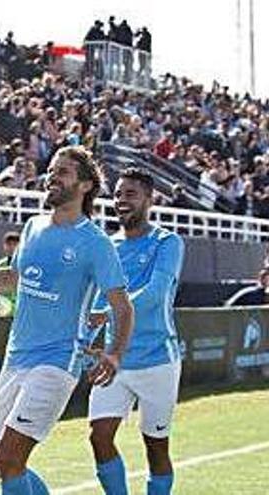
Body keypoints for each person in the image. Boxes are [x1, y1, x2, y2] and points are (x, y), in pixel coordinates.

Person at [0, 146, 134, 495]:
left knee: (10, 458)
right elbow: (11, 279)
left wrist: (114, 354)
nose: (52, 176)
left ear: (84, 186)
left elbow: (122, 306)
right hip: (16, 357)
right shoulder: (33, 226)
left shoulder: (95, 242)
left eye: (63, 172)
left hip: (57, 361)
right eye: (52, 170)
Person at [87, 168, 185, 495]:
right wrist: (86, 337)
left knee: (155, 446)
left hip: (158, 360)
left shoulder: (168, 242)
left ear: (148, 199)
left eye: (130, 194)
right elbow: (97, 299)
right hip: (116, 360)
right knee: (99, 436)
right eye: (117, 194)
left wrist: (108, 312)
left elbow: (156, 292)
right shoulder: (107, 245)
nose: (121, 200)